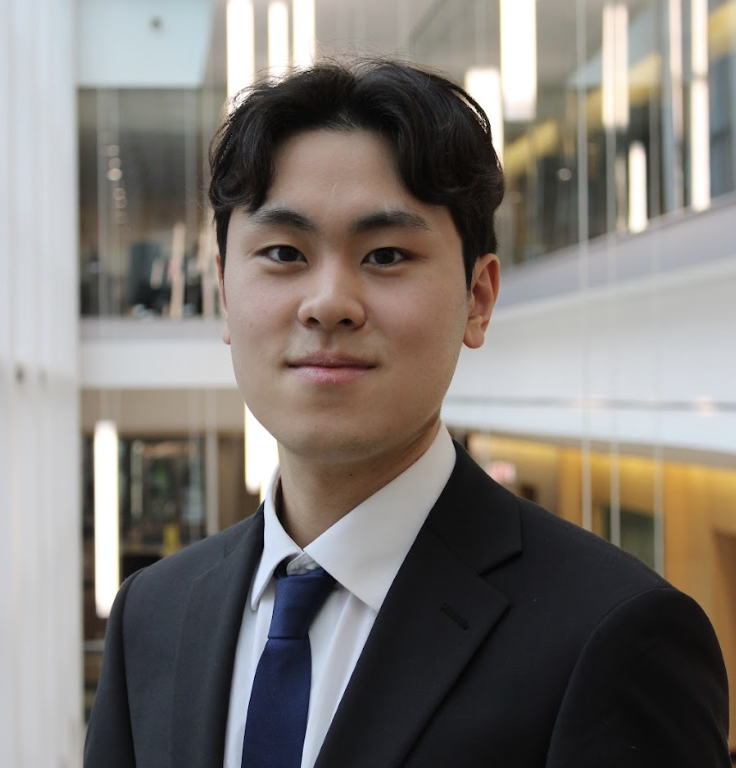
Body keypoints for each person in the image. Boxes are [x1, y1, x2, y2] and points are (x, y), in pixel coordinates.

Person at [84, 59, 730, 768]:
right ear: (224, 294)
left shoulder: (612, 637)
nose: (329, 302)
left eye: (386, 254)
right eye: (282, 252)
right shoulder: (153, 614)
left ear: (478, 298)